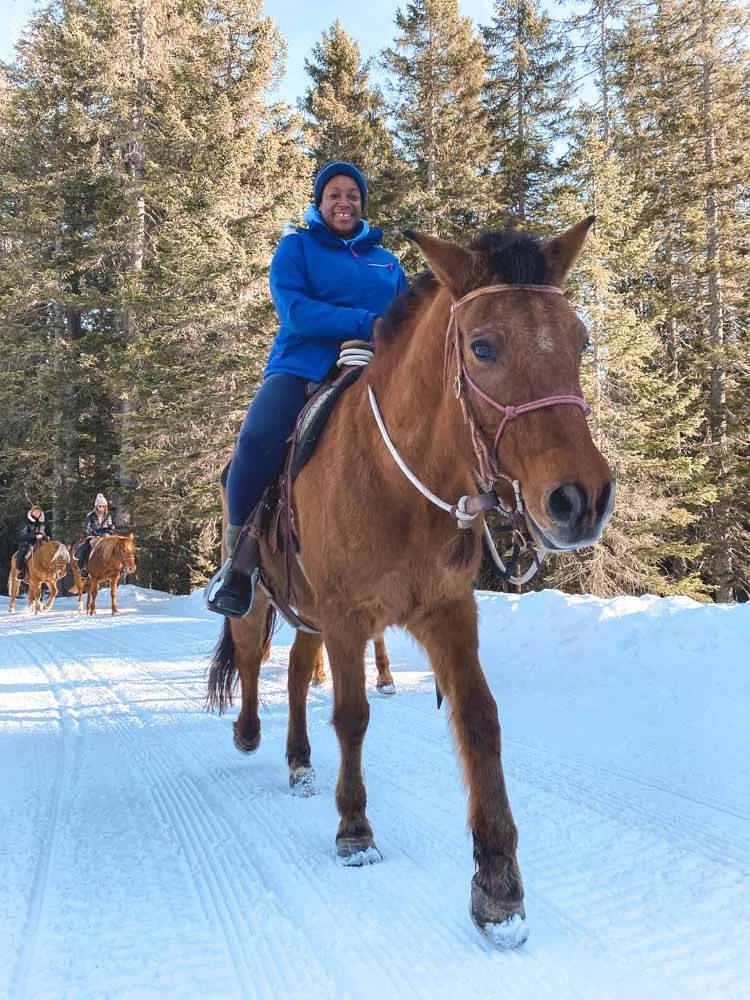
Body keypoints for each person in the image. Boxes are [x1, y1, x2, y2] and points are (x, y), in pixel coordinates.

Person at [207, 161, 408, 618]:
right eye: (335, 194)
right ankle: (238, 567)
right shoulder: (295, 247)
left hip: (379, 370)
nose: (345, 202)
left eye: (353, 196)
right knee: (257, 440)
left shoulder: (388, 261)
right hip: (303, 366)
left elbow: (410, 317)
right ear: (319, 202)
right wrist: (367, 324)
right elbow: (296, 312)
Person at [78, 493, 114, 578]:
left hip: (106, 537)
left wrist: (111, 528)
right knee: (84, 549)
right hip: (93, 537)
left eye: (103, 506)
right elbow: (87, 528)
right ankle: (83, 568)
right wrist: (95, 532)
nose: (102, 508)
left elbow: (110, 526)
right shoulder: (90, 515)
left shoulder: (108, 516)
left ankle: (118, 567)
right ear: (96, 506)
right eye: (100, 506)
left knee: (116, 547)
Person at [16, 504, 50, 580]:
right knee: (23, 551)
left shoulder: (43, 521)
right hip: (29, 541)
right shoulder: (26, 521)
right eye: (35, 512)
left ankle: (53, 571)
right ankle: (21, 571)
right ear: (31, 512)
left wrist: (47, 537)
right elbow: (23, 534)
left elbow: (48, 531)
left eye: (38, 512)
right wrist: (34, 536)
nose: (37, 513)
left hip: (42, 540)